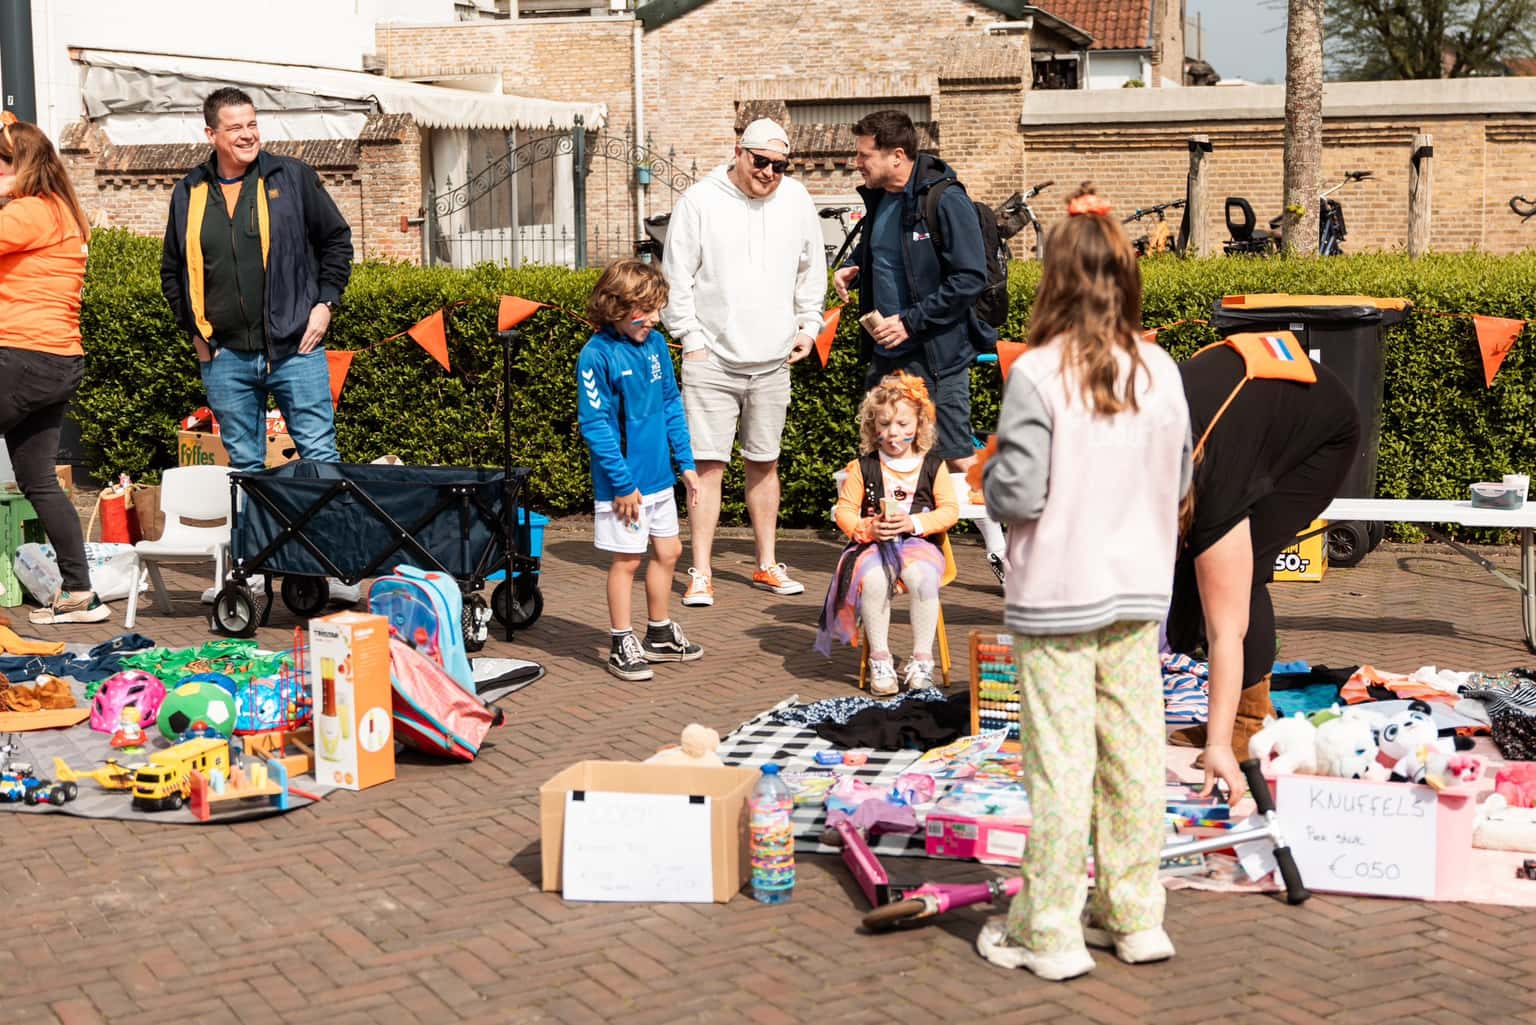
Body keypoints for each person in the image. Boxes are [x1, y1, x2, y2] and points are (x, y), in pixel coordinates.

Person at [978, 186, 1191, 980]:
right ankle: (1135, 915)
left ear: (1055, 280)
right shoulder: (1162, 370)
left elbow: (1020, 494)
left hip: (1058, 593)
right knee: (1134, 755)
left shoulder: (1036, 373)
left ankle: (1049, 928)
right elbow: (1176, 483)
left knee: (1060, 764)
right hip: (1139, 591)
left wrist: (993, 473)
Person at [160, 87, 357, 603]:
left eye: (252, 123)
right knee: (246, 468)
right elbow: (173, 273)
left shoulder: (290, 177)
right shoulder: (189, 191)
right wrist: (199, 339)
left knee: (317, 456)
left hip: (296, 349)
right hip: (226, 356)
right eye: (235, 127)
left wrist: (325, 303)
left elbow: (337, 239)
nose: (248, 134)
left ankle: (324, 561)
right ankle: (257, 564)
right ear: (211, 135)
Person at [1165, 332, 1361, 803]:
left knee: (1239, 576)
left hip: (1321, 436)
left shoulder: (1213, 487)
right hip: (1249, 420)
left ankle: (1246, 725)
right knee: (1190, 579)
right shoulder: (1143, 432)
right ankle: (1226, 715)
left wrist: (1216, 744)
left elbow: (1226, 631)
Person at [833, 109, 1009, 583]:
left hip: (938, 357)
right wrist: (854, 267)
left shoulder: (944, 200)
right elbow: (891, 256)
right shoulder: (880, 199)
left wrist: (910, 323)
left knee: (955, 451)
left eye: (864, 154)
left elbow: (969, 278)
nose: (856, 163)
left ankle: (1002, 554)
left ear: (897, 155)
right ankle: (895, 554)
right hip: (885, 358)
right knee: (884, 451)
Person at [661, 117, 825, 609]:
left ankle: (766, 563)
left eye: (780, 165)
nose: (770, 173)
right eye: (761, 161)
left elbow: (811, 269)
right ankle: (702, 571)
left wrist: (808, 327)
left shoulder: (796, 199)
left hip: (773, 359)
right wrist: (691, 339)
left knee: (765, 463)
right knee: (707, 468)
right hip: (711, 360)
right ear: (738, 151)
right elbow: (676, 279)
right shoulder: (698, 201)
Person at [0, 113, 109, 624]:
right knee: (38, 479)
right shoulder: (63, 210)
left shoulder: (27, 214)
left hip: (20, 356)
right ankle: (79, 592)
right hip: (58, 359)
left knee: (39, 478)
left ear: (18, 167)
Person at [578, 259, 704, 682]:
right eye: (644, 310)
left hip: (659, 479)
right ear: (615, 306)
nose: (653, 319)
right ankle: (620, 639)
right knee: (628, 561)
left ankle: (659, 632)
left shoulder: (653, 347)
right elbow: (595, 426)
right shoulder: (595, 355)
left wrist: (685, 464)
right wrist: (623, 483)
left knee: (669, 553)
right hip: (624, 487)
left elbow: (671, 403)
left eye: (656, 310)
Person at [815, 372, 959, 695]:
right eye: (885, 425)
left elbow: (949, 511)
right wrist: (867, 528)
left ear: (919, 425)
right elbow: (845, 512)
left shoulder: (933, 466)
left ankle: (922, 659)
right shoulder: (862, 467)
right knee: (875, 578)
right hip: (873, 546)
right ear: (872, 426)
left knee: (922, 576)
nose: (893, 433)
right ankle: (880, 657)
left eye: (903, 425)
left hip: (919, 545)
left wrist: (913, 524)